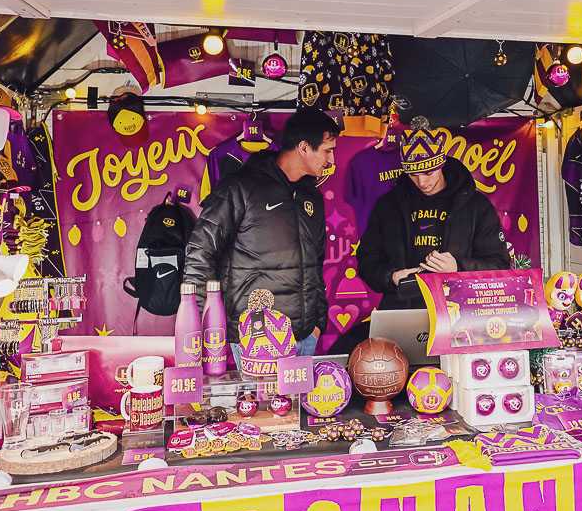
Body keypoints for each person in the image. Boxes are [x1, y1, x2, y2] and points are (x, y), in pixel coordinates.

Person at [184, 108, 339, 355]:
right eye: (327, 151)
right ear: (303, 148)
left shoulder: (313, 197)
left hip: (305, 338)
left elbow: (316, 264)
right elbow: (200, 253)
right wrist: (202, 328)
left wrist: (318, 324)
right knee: (256, 397)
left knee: (301, 397)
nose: (331, 160)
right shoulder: (240, 187)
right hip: (253, 339)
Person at [357, 127, 512, 311]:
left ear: (441, 164)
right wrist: (392, 277)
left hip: (459, 314)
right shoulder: (388, 206)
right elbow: (367, 260)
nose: (421, 182)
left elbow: (499, 265)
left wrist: (458, 267)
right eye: (413, 174)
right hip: (401, 312)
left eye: (428, 173)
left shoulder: (477, 206)